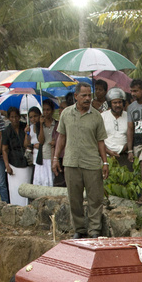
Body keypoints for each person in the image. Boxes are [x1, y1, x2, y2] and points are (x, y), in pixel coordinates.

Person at [54, 82, 109, 239]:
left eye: (89, 95)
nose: (87, 99)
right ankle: (79, 229)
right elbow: (61, 137)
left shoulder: (97, 116)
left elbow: (100, 141)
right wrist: (55, 158)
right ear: (76, 96)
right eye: (83, 95)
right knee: (74, 198)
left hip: (91, 163)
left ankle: (94, 230)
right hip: (71, 162)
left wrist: (105, 163)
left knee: (95, 198)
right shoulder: (65, 114)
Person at [1, 107, 32, 205]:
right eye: (12, 117)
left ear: (19, 117)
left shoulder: (25, 127)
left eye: (16, 117)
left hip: (26, 161)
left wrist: (27, 133)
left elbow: (27, 144)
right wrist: (7, 166)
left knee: (26, 186)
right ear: (9, 118)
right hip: (13, 162)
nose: (14, 119)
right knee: (15, 189)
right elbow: (4, 150)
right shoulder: (6, 131)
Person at [27, 103, 56, 188]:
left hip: (53, 155)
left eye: (48, 110)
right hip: (42, 157)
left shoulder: (57, 124)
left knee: (52, 182)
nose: (46, 112)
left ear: (52, 111)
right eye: (44, 110)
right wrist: (41, 125)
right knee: (42, 182)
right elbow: (41, 140)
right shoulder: (39, 125)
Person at [102, 88, 130, 166]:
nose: (117, 105)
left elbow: (133, 135)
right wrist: (108, 151)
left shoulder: (129, 116)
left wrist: (125, 148)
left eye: (120, 102)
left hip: (124, 156)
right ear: (110, 104)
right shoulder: (102, 117)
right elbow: (97, 138)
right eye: (114, 103)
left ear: (123, 103)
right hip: (106, 156)